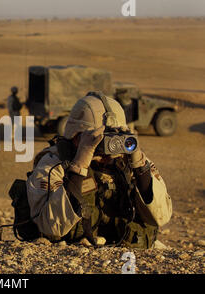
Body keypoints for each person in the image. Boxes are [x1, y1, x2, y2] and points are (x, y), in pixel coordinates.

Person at [26, 91, 172, 248]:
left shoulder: (127, 162)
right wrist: (79, 165)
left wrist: (140, 167)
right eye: (99, 138)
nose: (107, 150)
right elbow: (51, 227)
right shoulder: (53, 163)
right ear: (76, 136)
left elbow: (162, 217)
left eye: (114, 137)